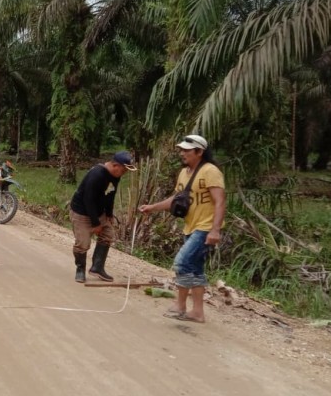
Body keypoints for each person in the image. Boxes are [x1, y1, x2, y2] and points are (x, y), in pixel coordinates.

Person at [139, 135, 226, 323]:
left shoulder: (211, 171)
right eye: (182, 150)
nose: (182, 153)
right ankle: (197, 312)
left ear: (199, 152)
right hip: (190, 226)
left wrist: (215, 230)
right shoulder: (184, 173)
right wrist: (152, 207)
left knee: (181, 263)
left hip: (205, 227)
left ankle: (180, 305)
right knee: (195, 269)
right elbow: (177, 198)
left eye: (187, 150)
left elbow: (220, 201)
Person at [70, 151, 137, 283]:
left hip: (98, 212)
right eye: (124, 170)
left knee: (107, 234)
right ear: (115, 165)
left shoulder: (115, 176)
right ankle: (80, 269)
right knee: (83, 244)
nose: (124, 173)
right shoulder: (97, 175)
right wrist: (95, 223)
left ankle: (97, 267)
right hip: (82, 212)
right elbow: (88, 200)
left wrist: (109, 214)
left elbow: (110, 194)